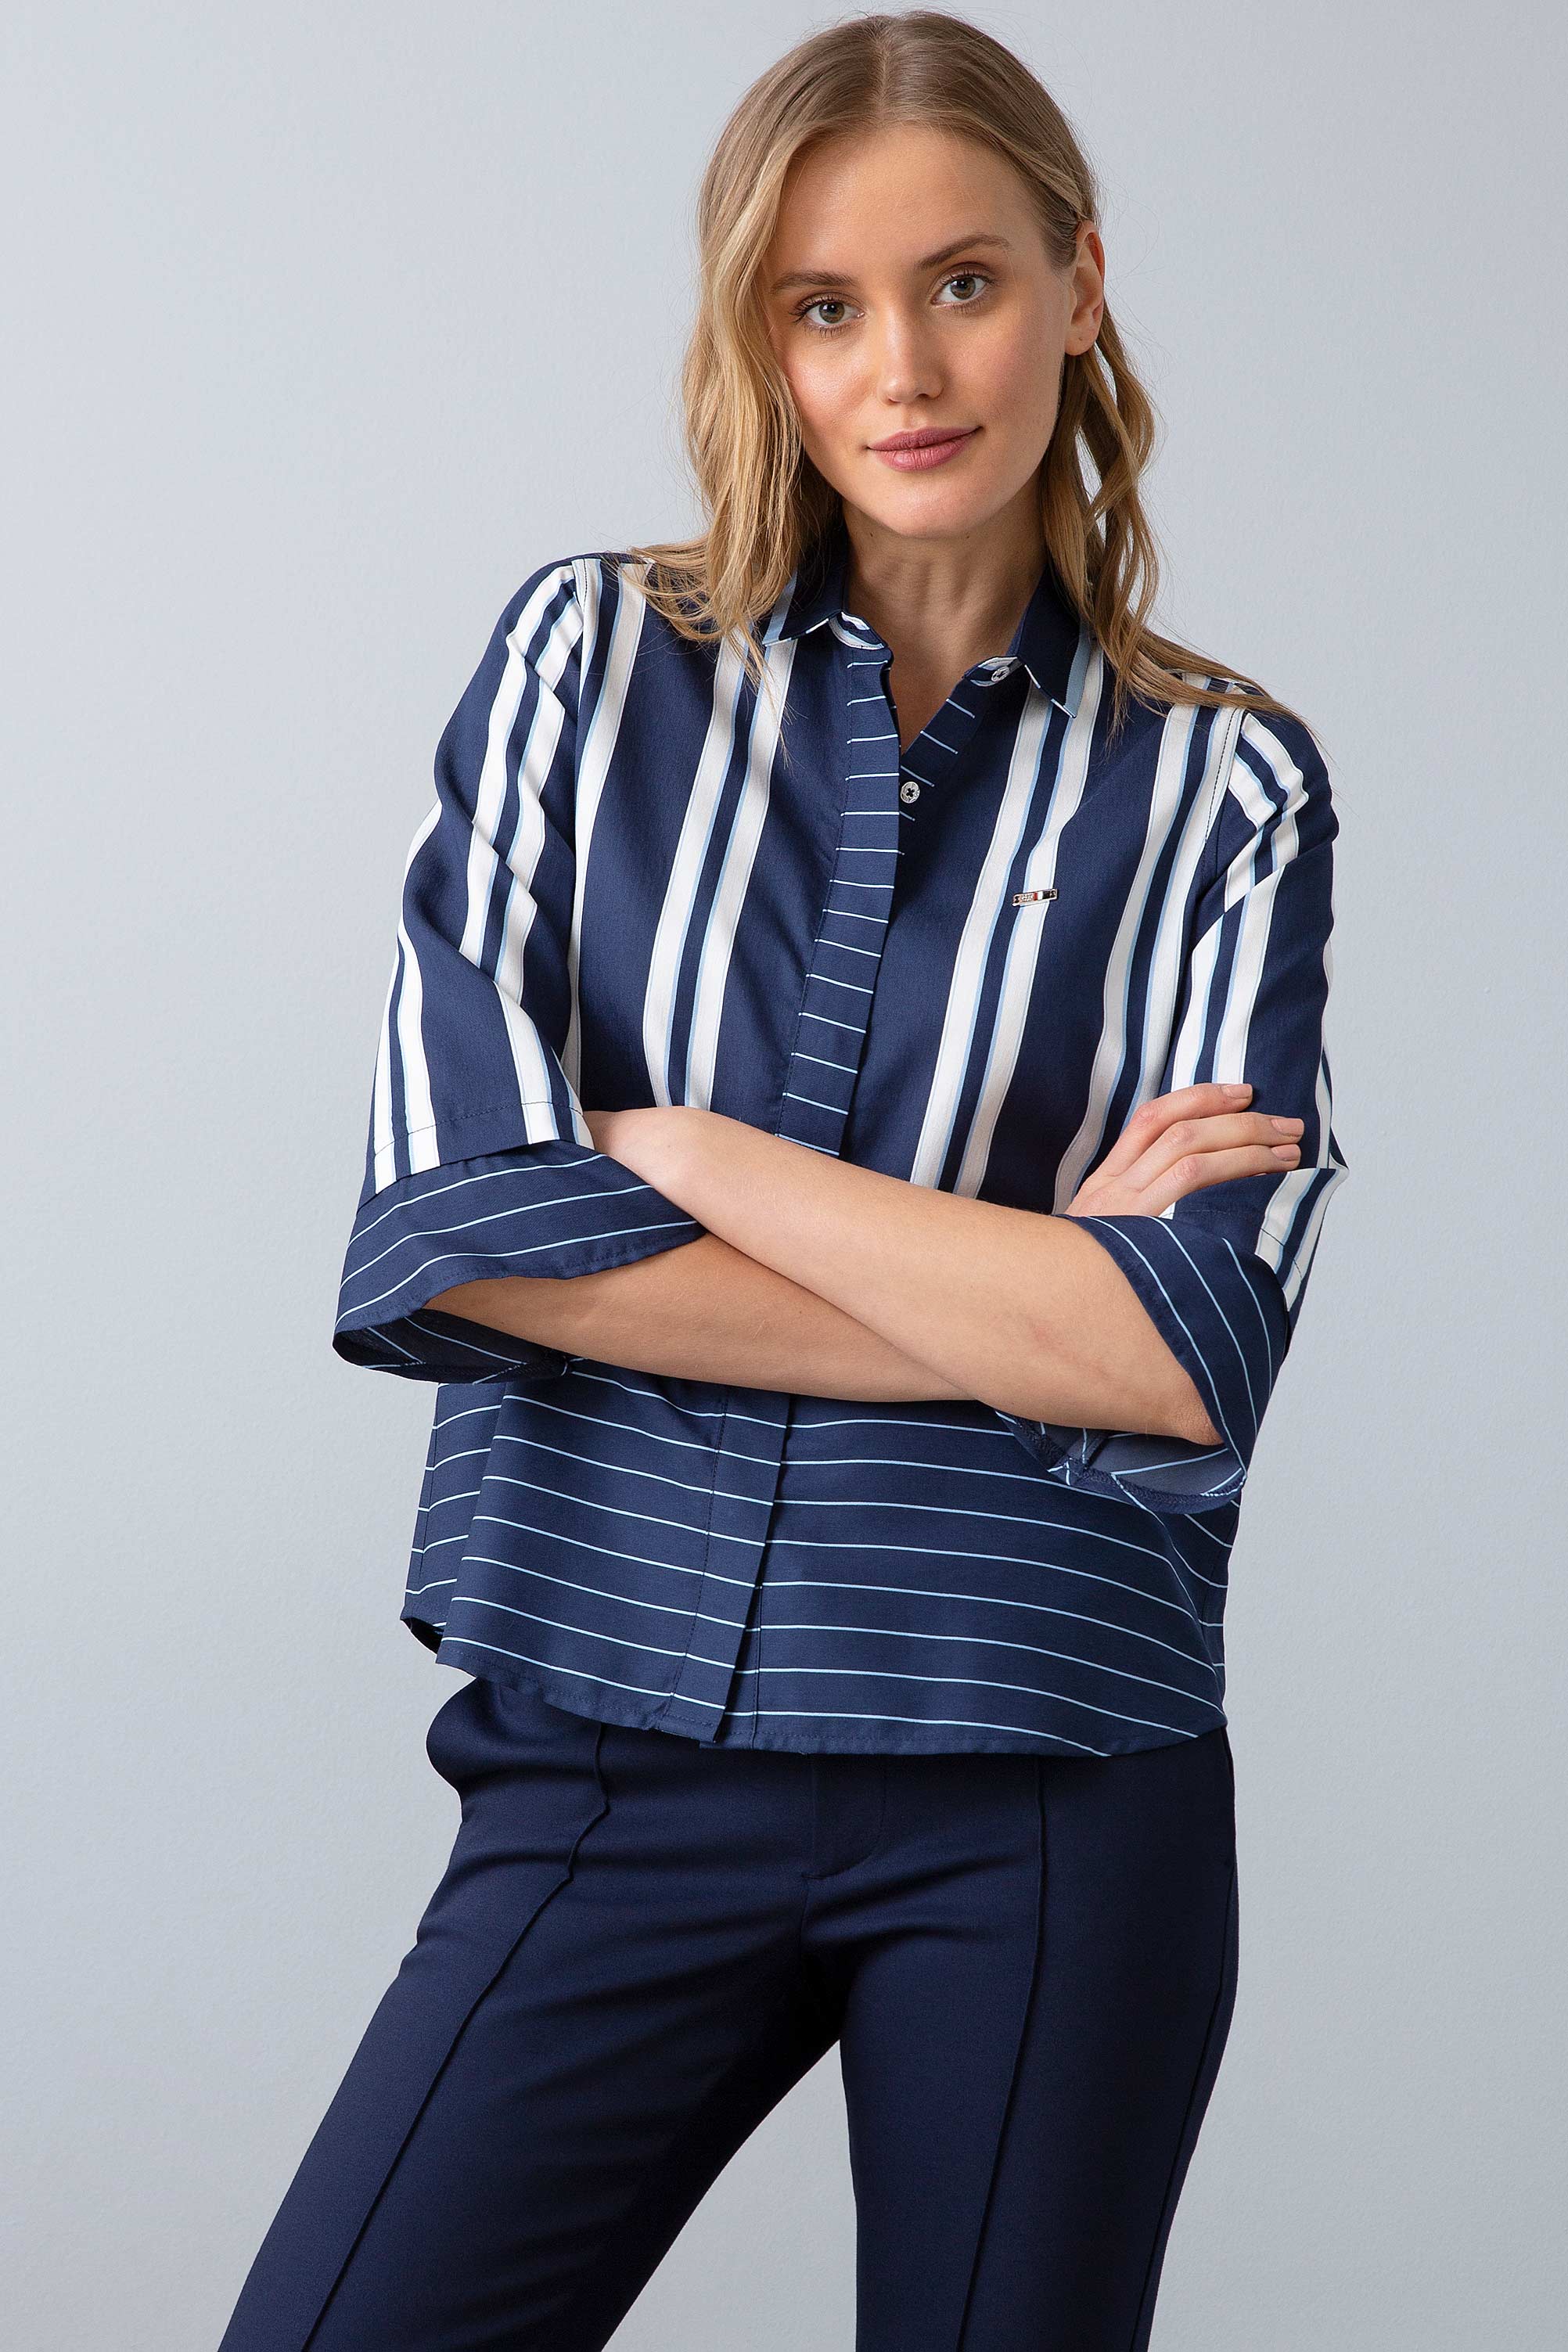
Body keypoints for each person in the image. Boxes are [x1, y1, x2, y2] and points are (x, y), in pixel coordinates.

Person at [217, 11, 1349, 2348]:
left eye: (964, 283)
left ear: (1080, 285)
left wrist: (685, 1154)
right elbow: (456, 1236)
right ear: (763, 339)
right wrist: (1028, 1296)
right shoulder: (585, 665)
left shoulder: (1228, 786)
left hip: (1051, 1775)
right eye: (823, 306)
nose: (901, 367)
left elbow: (1185, 1352)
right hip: (607, 1746)